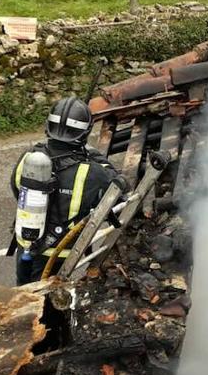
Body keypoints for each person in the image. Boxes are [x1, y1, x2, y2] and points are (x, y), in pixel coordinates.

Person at [9, 97, 124, 285]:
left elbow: (17, 189)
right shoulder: (92, 172)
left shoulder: (29, 158)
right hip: (59, 255)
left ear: (49, 126)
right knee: (51, 303)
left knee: (25, 294)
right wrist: (92, 154)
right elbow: (117, 191)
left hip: (26, 245)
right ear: (85, 133)